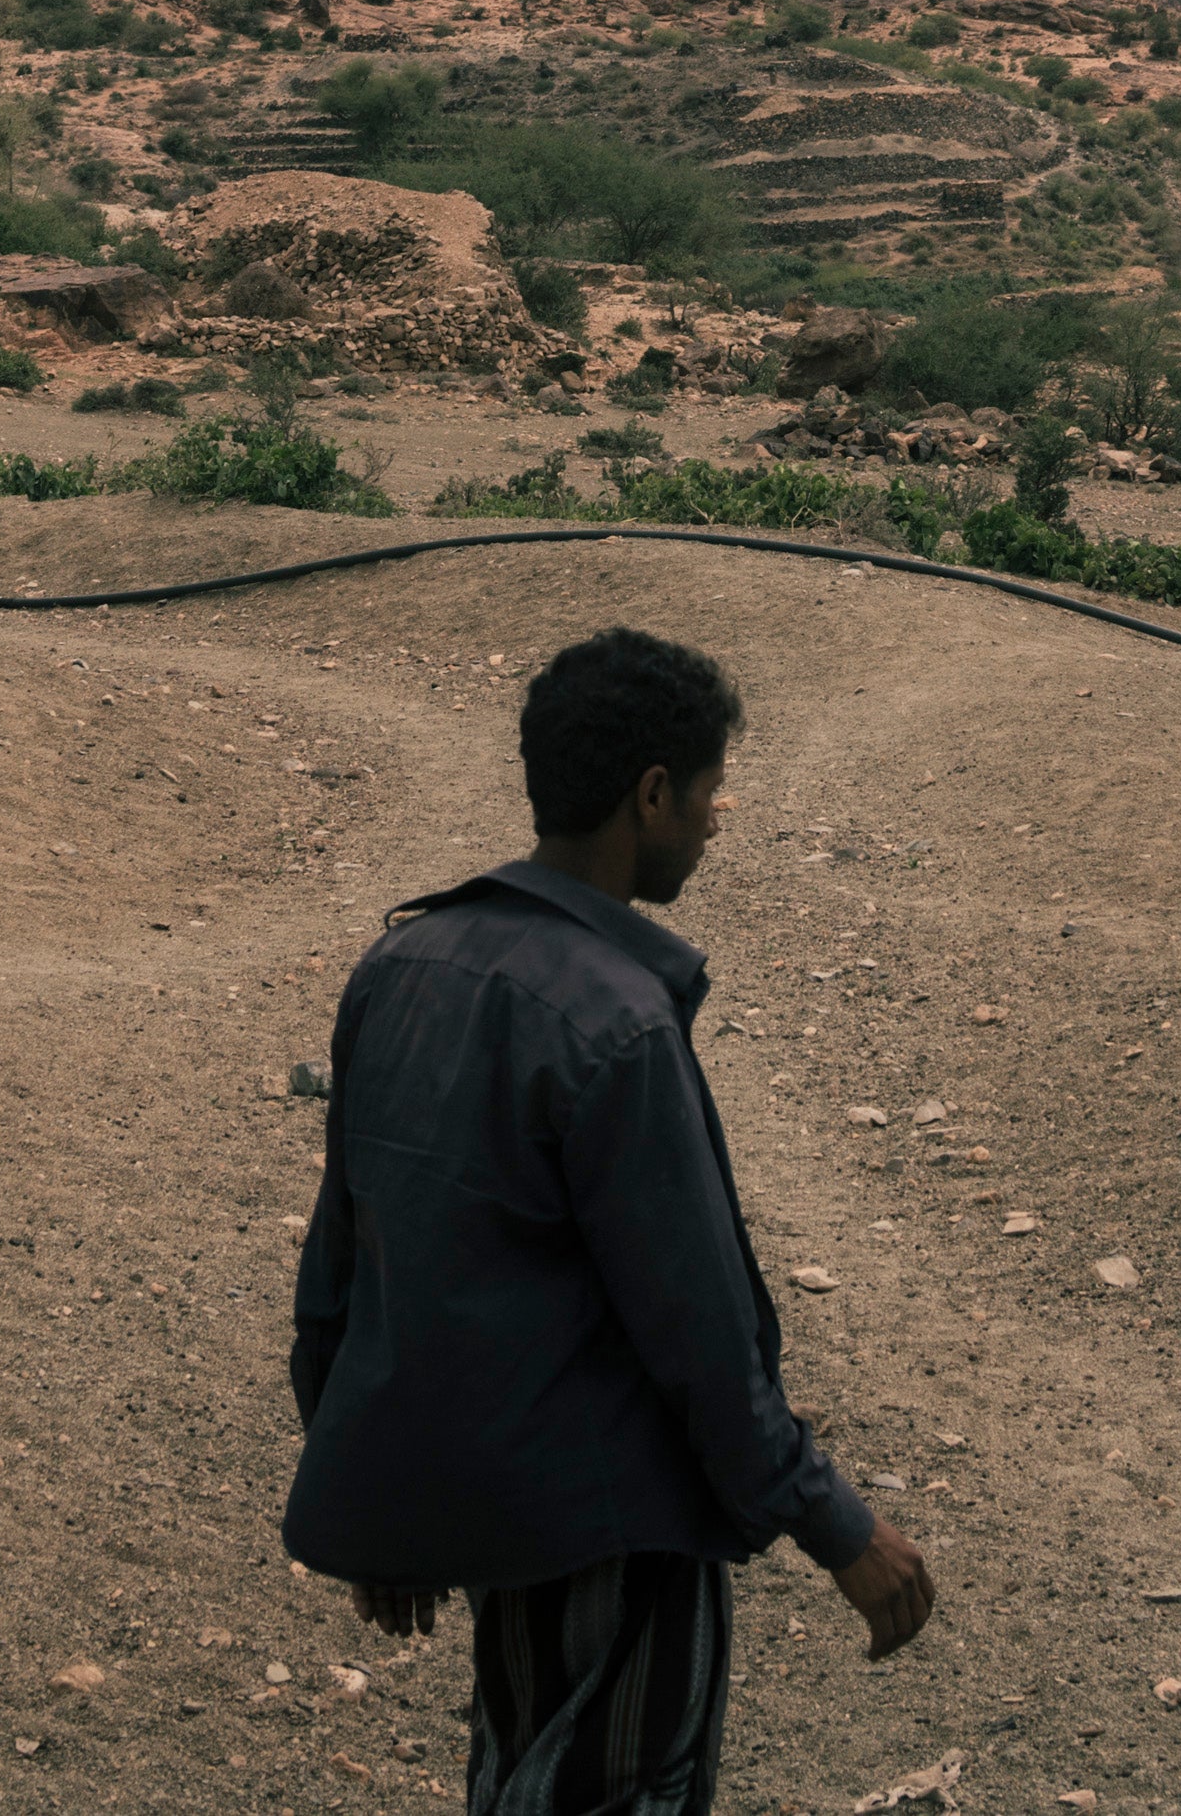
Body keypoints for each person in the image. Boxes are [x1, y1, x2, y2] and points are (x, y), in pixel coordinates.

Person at [286, 626, 934, 1813]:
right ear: (648, 794)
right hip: (610, 1521)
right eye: (704, 790)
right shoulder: (617, 1022)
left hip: (493, 1515)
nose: (714, 816)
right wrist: (839, 1528)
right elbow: (697, 1326)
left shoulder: (401, 965)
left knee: (520, 1768)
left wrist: (383, 1504)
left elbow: (344, 1261)